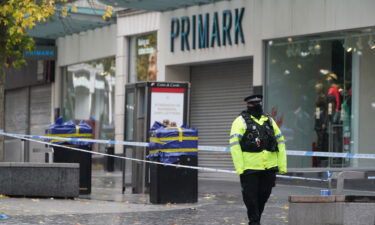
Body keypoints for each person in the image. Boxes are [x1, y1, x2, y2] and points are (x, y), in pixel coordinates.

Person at [229, 94, 287, 225]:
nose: (256, 106)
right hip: (250, 168)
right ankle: (254, 221)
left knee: (264, 195)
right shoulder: (240, 121)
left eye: (258, 104)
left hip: (269, 167)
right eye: (253, 104)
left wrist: (282, 166)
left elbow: (280, 142)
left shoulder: (269, 121)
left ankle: (256, 220)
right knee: (250, 197)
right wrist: (240, 167)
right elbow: (234, 145)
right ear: (248, 105)